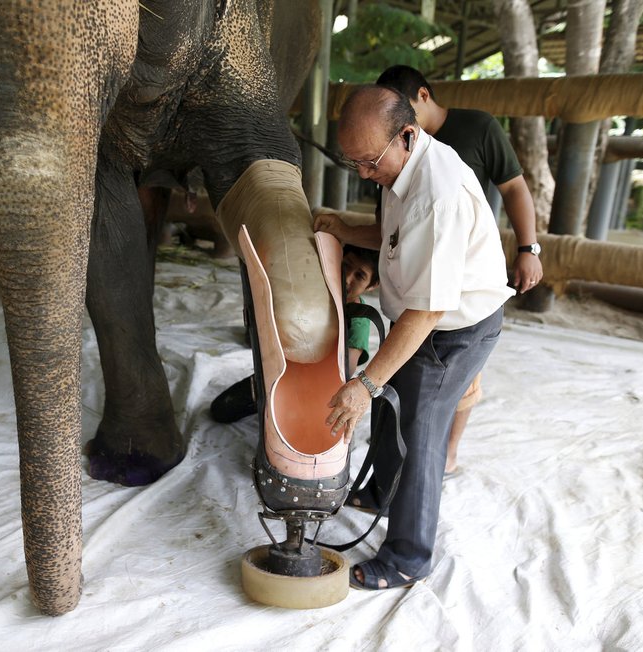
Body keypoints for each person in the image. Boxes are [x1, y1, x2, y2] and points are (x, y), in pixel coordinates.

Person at [313, 85, 514, 590]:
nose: (362, 173)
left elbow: (427, 313)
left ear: (408, 133)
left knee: (419, 429)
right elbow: (394, 238)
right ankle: (382, 490)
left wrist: (363, 382)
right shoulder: (400, 164)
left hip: (452, 331)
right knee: (388, 403)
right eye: (352, 161)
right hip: (420, 320)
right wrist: (341, 227)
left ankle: (408, 556)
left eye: (369, 162)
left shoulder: (437, 195)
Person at [376, 65, 543, 477]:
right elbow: (391, 228)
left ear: (423, 96)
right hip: (416, 275)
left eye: (401, 110)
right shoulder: (389, 144)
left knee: (459, 379)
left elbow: (515, 187)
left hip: (466, 276)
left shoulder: (477, 128)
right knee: (408, 380)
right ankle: (404, 463)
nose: (396, 122)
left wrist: (528, 248)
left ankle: (446, 454)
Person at [209, 244, 380, 423]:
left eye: (359, 276)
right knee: (221, 410)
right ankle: (270, 403)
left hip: (315, 388)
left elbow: (345, 369)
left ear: (372, 285)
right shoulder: (316, 292)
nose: (347, 278)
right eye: (346, 266)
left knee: (293, 429)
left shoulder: (359, 319)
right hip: (280, 373)